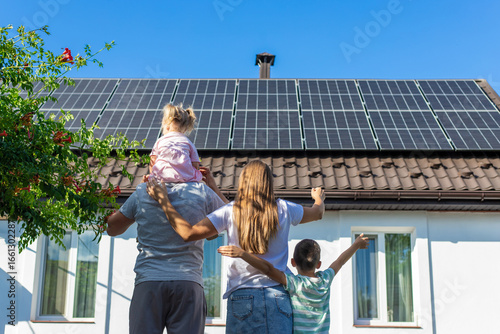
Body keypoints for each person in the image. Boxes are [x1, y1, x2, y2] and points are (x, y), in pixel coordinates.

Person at [146, 160, 326, 334]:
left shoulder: (231, 211)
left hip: (242, 298)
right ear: (269, 183)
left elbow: (188, 233)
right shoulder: (285, 209)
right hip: (278, 298)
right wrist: (318, 199)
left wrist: (163, 200)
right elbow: (317, 213)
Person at [106, 168, 227, 334]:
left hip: (149, 282)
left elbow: (112, 228)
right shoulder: (202, 192)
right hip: (188, 283)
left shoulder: (142, 192)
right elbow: (232, 220)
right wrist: (213, 188)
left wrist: (142, 201)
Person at [218, 235, 370, 334]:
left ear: (293, 262)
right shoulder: (325, 280)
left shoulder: (295, 283)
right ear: (319, 264)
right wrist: (356, 245)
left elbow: (269, 270)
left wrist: (242, 253)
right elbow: (340, 261)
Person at [149, 103, 202, 183]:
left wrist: (153, 178)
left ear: (167, 126)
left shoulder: (160, 141)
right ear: (185, 129)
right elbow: (195, 164)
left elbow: (152, 162)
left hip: (161, 179)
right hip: (184, 180)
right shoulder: (188, 142)